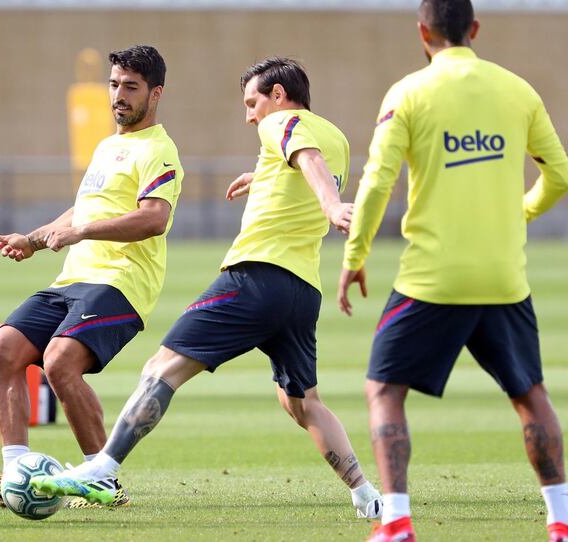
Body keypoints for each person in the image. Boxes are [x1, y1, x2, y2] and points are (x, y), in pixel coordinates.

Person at [31, 56, 383, 519]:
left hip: (254, 277)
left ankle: (104, 467)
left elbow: (305, 158)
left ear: (277, 95)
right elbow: (304, 162)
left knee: (163, 367)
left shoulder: (284, 121)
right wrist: (264, 177)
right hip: (302, 292)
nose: (249, 115)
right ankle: (365, 495)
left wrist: (332, 205)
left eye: (252, 102)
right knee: (302, 402)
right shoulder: (334, 134)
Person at [337, 2, 568, 541]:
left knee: (385, 389)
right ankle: (561, 521)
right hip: (504, 277)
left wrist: (355, 256)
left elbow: (376, 182)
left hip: (432, 279)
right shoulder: (518, 90)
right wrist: (523, 209)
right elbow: (558, 173)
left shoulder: (409, 93)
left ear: (423, 32)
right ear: (475, 29)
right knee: (530, 393)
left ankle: (394, 521)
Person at [0, 44, 183, 510]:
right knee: (1, 351)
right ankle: (16, 472)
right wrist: (34, 239)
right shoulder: (107, 146)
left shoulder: (159, 151)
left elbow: (154, 218)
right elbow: (83, 211)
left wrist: (82, 230)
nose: (118, 96)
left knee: (60, 361)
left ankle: (102, 477)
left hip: (121, 282)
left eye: (131, 87)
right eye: (114, 85)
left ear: (155, 93)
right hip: (73, 279)